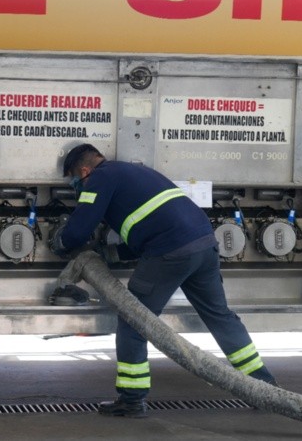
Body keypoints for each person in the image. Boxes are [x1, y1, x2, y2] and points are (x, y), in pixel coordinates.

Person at [52, 143, 276, 418]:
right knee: (220, 315)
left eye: (74, 180)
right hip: (204, 244)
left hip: (170, 252)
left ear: (84, 170)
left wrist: (62, 243)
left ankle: (132, 399)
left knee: (133, 319)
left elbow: (79, 229)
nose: (76, 185)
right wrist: (112, 253)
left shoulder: (99, 178)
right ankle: (264, 386)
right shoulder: (134, 172)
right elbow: (151, 225)